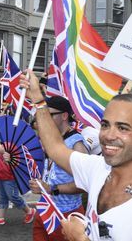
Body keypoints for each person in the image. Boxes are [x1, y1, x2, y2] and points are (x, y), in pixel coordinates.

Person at [20, 70, 132, 240]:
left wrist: (80, 239)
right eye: (105, 125)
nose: (109, 135)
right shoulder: (98, 169)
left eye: (123, 128)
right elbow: (55, 147)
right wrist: (38, 100)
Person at [29, 96, 88, 241]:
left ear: (64, 115)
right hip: (44, 209)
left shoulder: (77, 144)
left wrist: (51, 188)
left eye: (49, 115)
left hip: (67, 215)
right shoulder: (49, 139)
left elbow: (84, 184)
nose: (45, 119)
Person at [0, 130, 36, 226]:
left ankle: (29, 211)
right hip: (2, 176)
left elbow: (1, 150)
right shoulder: (6, 142)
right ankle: (0, 217)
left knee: (13, 196)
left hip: (10, 177)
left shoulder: (13, 144)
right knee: (2, 197)